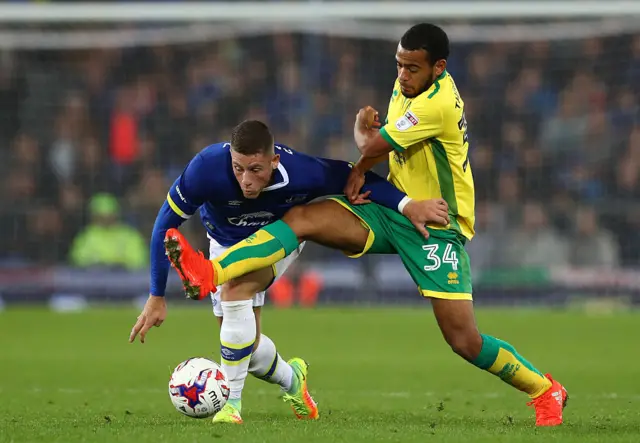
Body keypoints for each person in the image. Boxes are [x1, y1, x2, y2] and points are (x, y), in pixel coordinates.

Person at [163, 24, 569, 427]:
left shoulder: (438, 103)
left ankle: (543, 389)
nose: (402, 75)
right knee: (303, 217)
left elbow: (375, 145)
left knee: (463, 340)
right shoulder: (409, 87)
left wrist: (362, 141)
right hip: (392, 207)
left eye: (412, 68)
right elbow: (389, 145)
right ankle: (211, 271)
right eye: (399, 65)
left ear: (438, 67)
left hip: (436, 222)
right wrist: (369, 166)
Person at [129, 119, 450, 424]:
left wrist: (408, 205)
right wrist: (156, 295)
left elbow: (357, 175)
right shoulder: (207, 167)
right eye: (238, 169)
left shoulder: (302, 173)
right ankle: (292, 379)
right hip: (224, 245)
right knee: (246, 348)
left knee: (234, 291)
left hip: (278, 238)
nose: (245, 180)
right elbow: (164, 226)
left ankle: (231, 406)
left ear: (274, 161)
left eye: (255, 170)